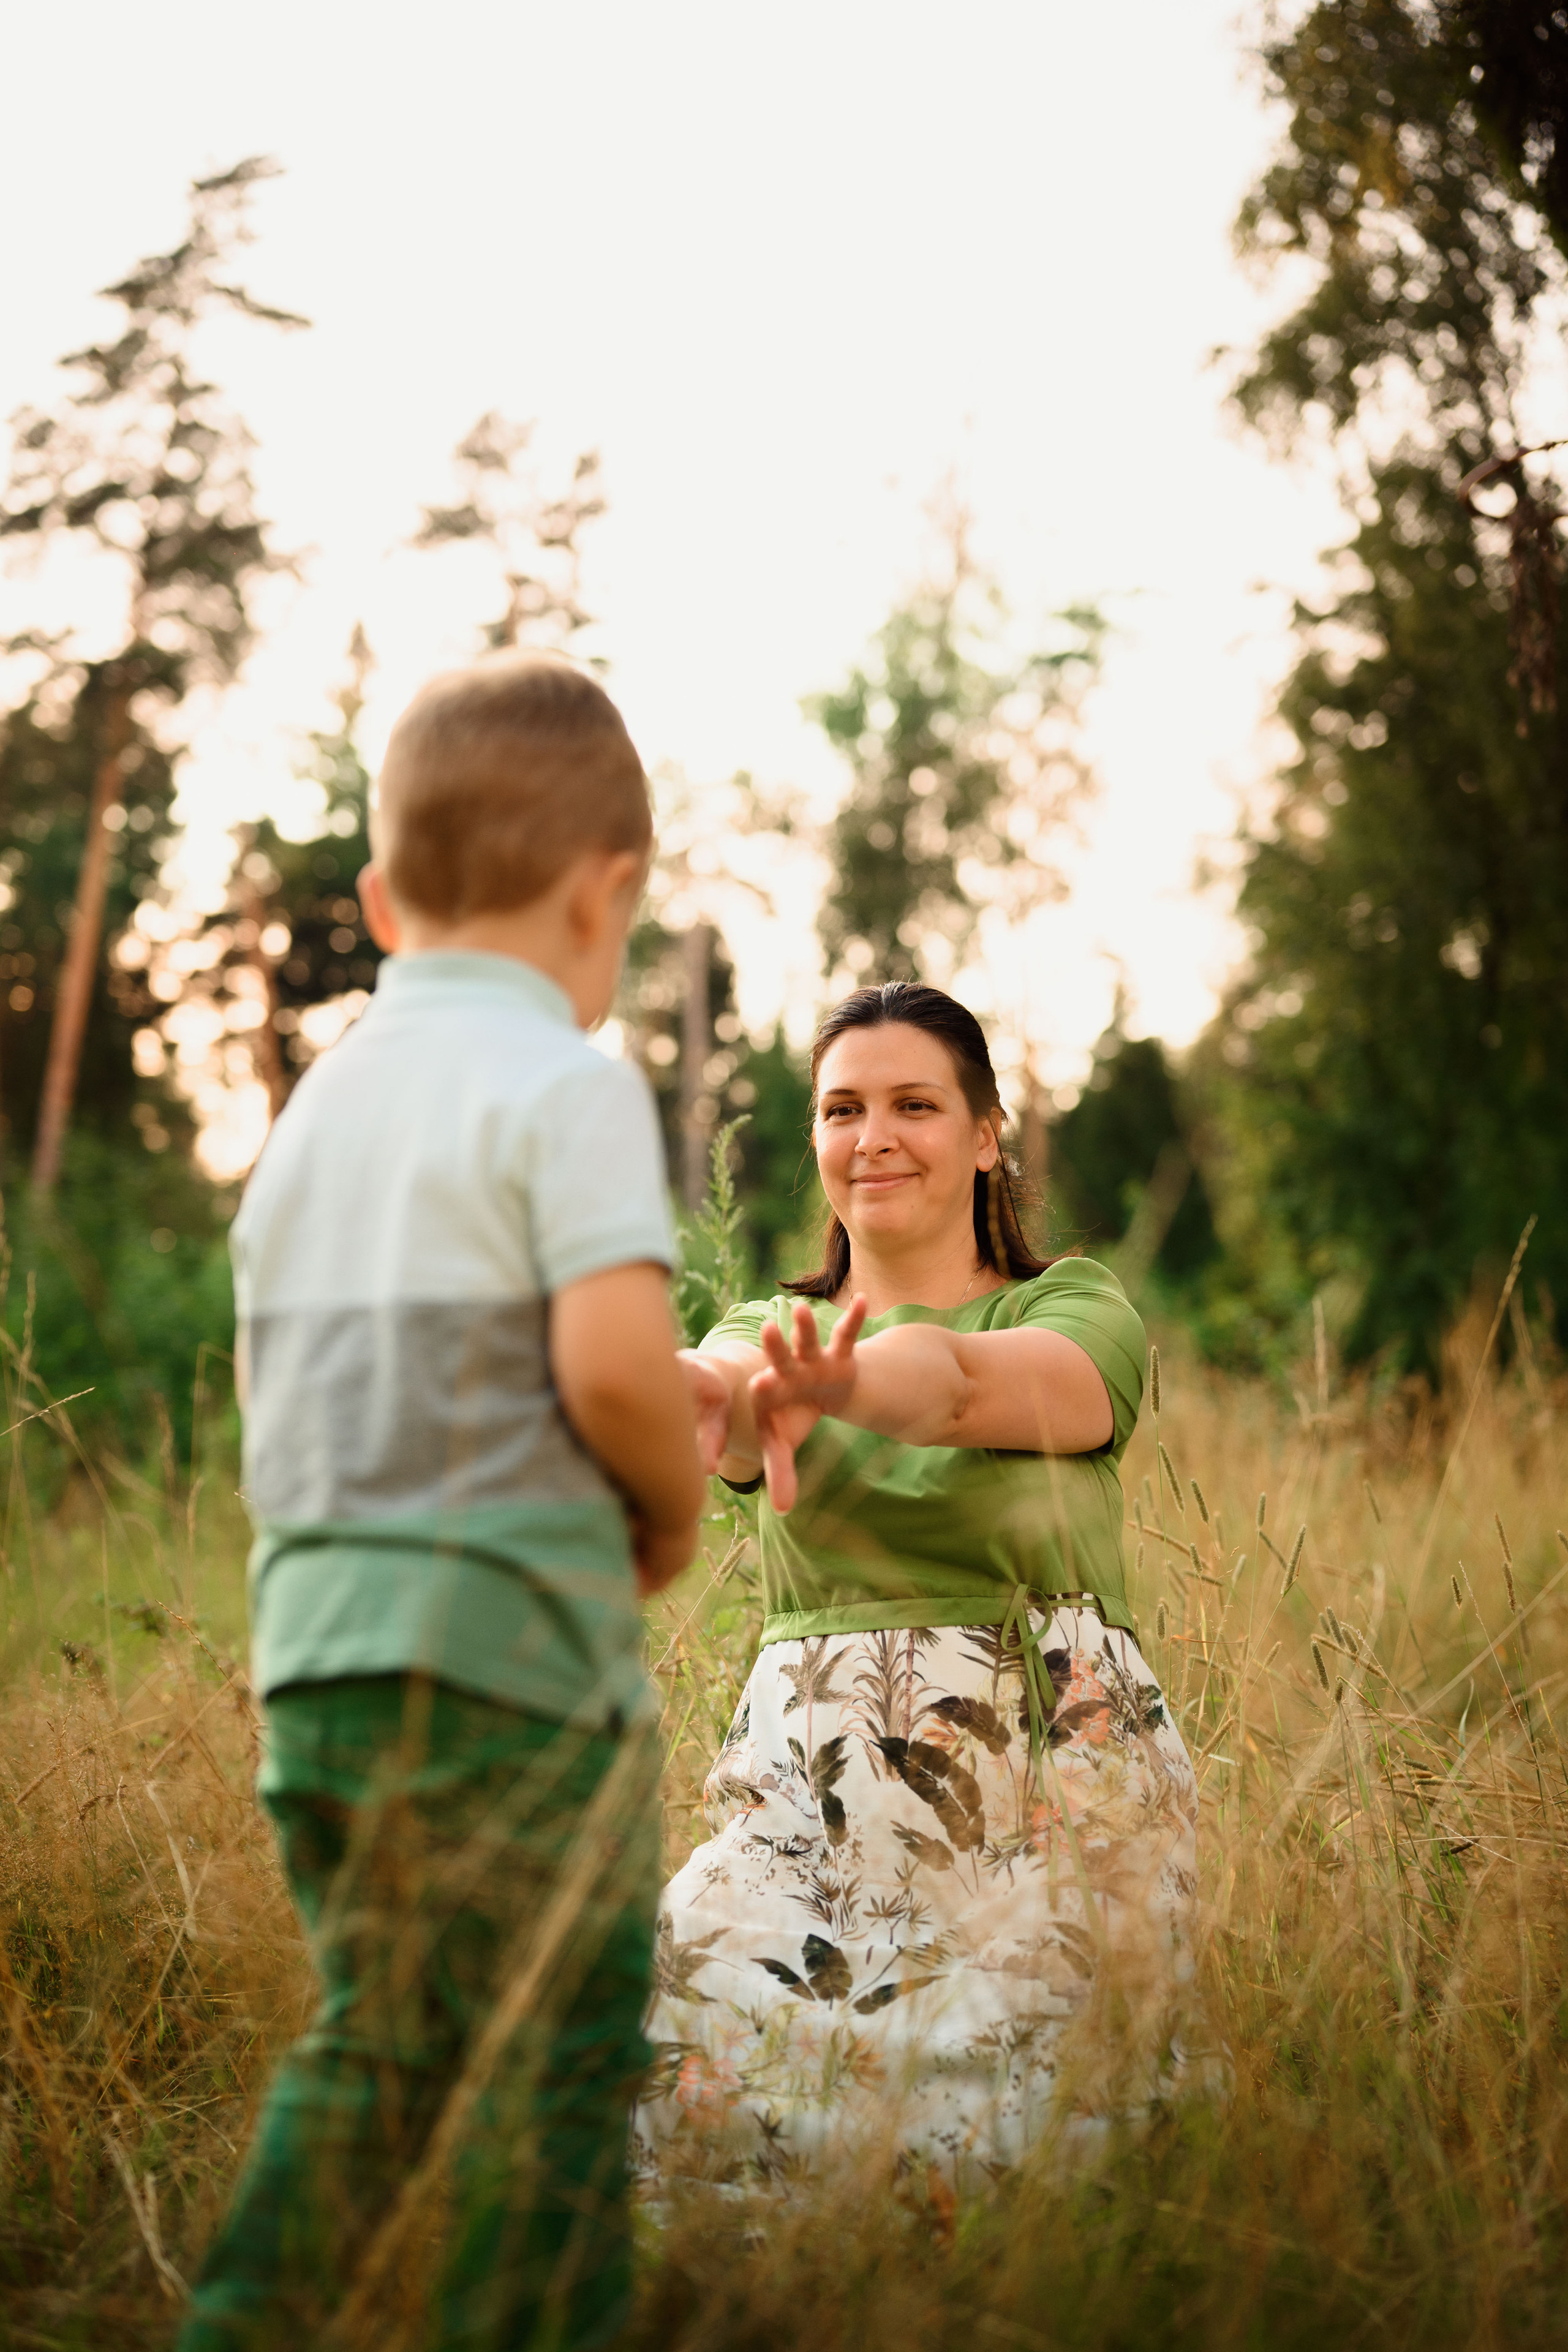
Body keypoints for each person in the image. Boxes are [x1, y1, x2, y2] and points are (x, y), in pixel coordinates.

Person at [181, 655, 707, 2350]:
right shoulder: (567, 1085)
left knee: (380, 2047)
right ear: (605, 892)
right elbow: (623, 1368)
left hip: (317, 1671)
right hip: (516, 1679)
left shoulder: (314, 1118)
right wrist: (675, 1514)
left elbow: (279, 1392)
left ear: (381, 902)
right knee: (556, 2076)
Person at [636, 982, 1208, 2199]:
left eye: (913, 1104)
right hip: (809, 1814)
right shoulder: (768, 1324)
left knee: (1028, 2155)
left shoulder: (1075, 1308)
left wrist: (829, 1381)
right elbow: (729, 1386)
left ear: (985, 1133)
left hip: (1048, 1796)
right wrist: (695, 1387)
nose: (872, 1136)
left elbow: (941, 1383)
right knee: (705, 2104)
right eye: (841, 1108)